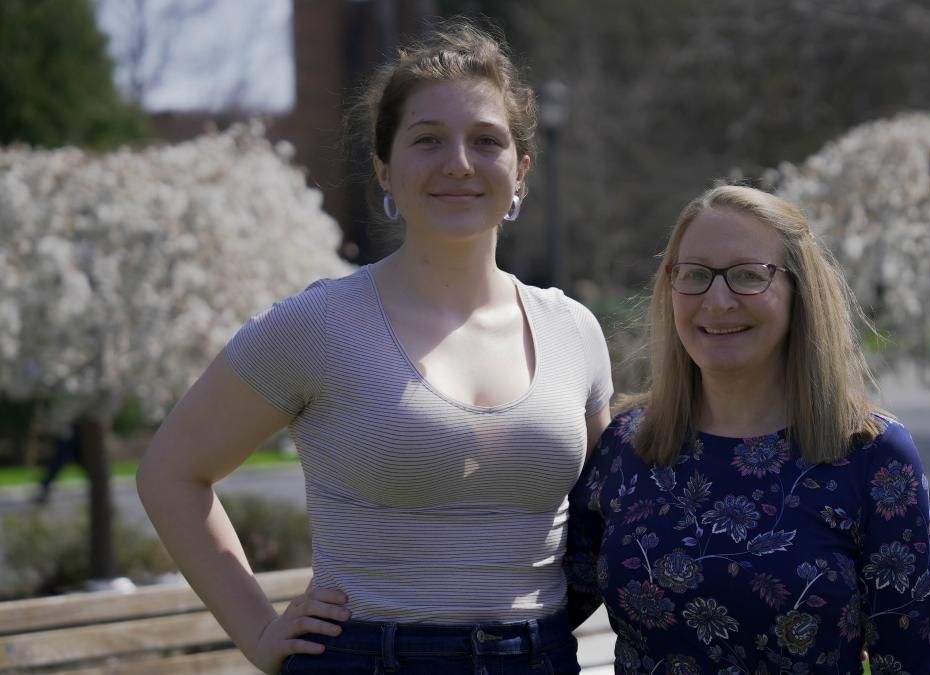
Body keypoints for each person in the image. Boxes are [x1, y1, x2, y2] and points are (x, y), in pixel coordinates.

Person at [138, 21, 612, 675]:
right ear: (385, 168)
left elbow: (606, 518)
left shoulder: (574, 331)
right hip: (364, 657)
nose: (458, 163)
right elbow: (170, 471)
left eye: (485, 141)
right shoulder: (318, 324)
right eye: (427, 140)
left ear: (521, 170)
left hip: (539, 657)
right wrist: (256, 629)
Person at [563, 185, 930, 674]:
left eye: (748, 276)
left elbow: (911, 665)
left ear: (799, 291)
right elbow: (544, 609)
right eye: (695, 275)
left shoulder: (873, 456)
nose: (718, 301)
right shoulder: (628, 447)